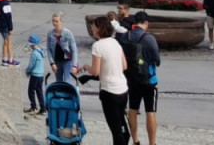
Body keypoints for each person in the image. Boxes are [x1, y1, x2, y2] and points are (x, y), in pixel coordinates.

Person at [82, 17, 130, 145]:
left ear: (99, 28)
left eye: (93, 26)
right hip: (122, 89)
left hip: (109, 91)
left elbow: (95, 71)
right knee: (121, 123)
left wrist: (86, 67)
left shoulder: (97, 46)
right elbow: (124, 65)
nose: (91, 28)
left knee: (115, 129)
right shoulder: (115, 42)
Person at [125, 11, 161, 145]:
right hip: (148, 79)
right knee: (150, 111)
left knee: (133, 109)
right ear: (146, 23)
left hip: (132, 78)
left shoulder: (126, 36)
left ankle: (135, 140)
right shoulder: (149, 38)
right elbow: (157, 60)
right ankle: (152, 142)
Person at [47, 12, 80, 86]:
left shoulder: (68, 33)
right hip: (57, 61)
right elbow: (49, 49)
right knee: (58, 82)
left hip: (67, 61)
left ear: (61, 21)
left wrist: (74, 65)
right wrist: (52, 63)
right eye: (53, 21)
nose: (54, 23)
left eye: (56, 21)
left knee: (66, 82)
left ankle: (66, 93)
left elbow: (74, 50)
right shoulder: (50, 34)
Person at [0, 0, 18, 65]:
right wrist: (10, 28)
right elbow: (8, 17)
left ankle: (4, 59)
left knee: (5, 41)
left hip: (0, 24)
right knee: (9, 42)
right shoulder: (6, 4)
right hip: (5, 25)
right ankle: (10, 60)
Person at [25, 34, 47, 116]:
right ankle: (42, 108)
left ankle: (33, 107)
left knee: (30, 91)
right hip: (40, 75)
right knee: (39, 91)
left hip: (35, 75)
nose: (30, 46)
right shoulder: (41, 51)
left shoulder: (34, 53)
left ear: (33, 44)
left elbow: (31, 65)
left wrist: (27, 71)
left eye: (31, 45)